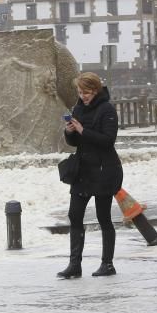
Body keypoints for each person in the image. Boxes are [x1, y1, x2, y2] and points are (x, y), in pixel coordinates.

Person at [57, 72, 123, 279]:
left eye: (86, 92)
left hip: (104, 170)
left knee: (104, 217)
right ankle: (74, 264)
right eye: (80, 92)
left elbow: (107, 140)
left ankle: (107, 263)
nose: (83, 96)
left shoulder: (107, 110)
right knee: (75, 215)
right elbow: (76, 143)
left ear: (95, 90)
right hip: (83, 170)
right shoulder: (78, 108)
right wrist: (70, 132)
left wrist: (83, 130)